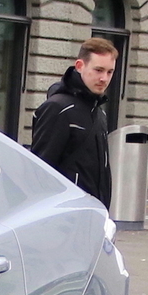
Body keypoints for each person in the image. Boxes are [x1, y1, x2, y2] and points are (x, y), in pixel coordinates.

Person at [30, 38, 117, 204]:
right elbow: (41, 169)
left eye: (109, 72)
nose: (104, 78)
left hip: (93, 212)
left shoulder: (99, 113)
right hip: (65, 213)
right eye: (98, 70)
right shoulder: (58, 108)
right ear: (79, 66)